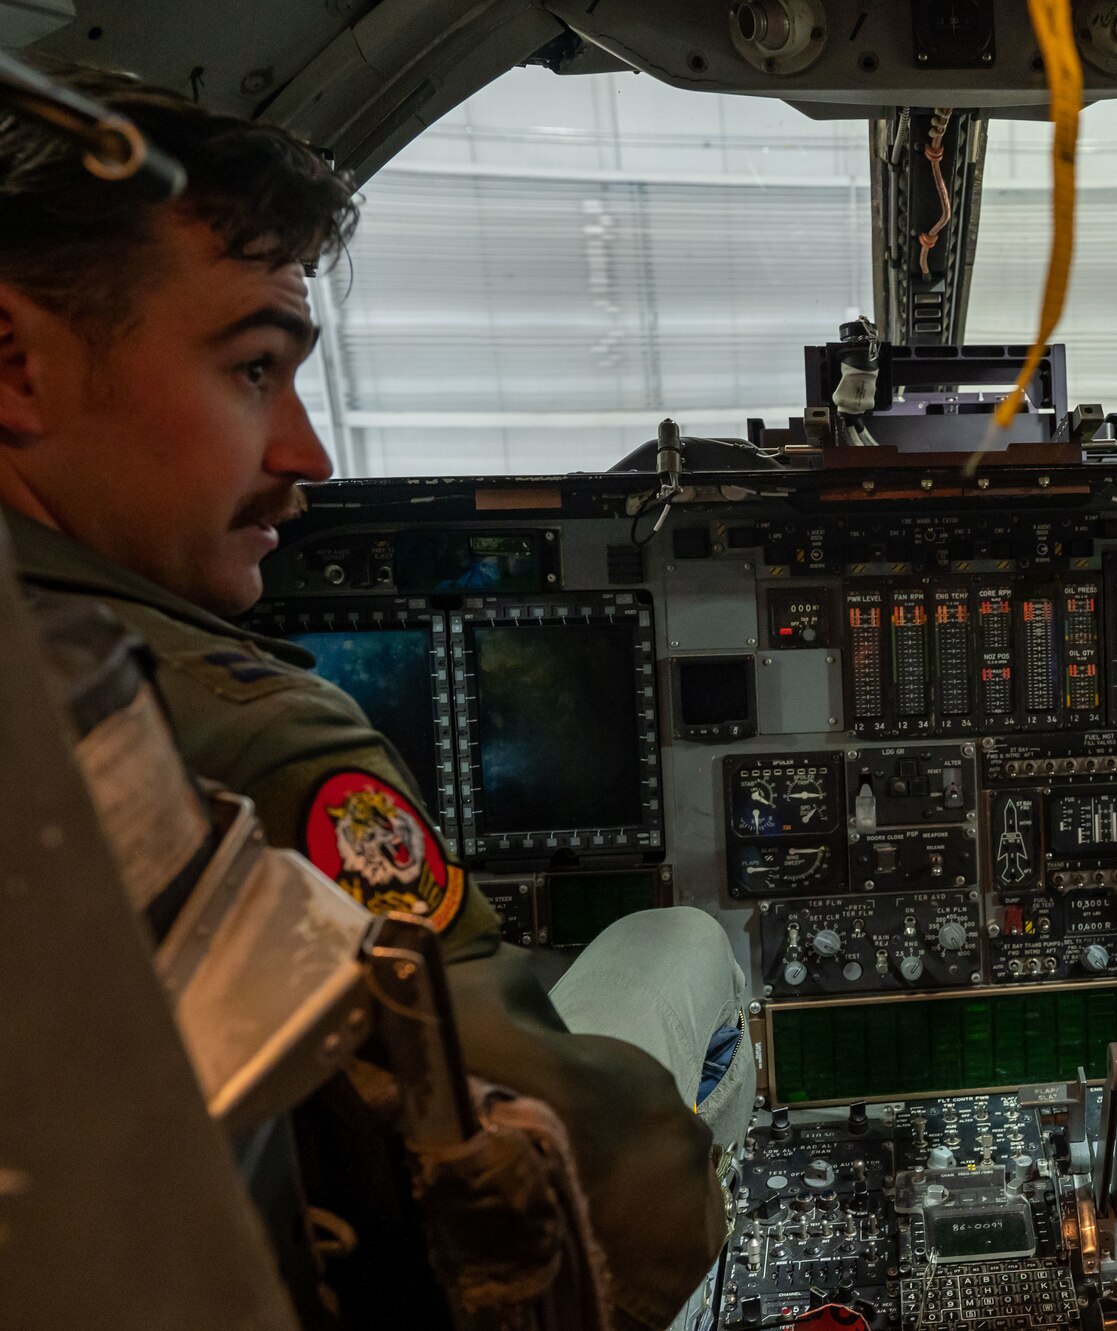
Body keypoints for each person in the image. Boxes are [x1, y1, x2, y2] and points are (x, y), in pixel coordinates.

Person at [0, 60, 751, 1330]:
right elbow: (599, 1193)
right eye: (252, 368)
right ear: (16, 366)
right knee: (684, 948)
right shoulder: (245, 732)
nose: (308, 454)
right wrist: (683, 1197)